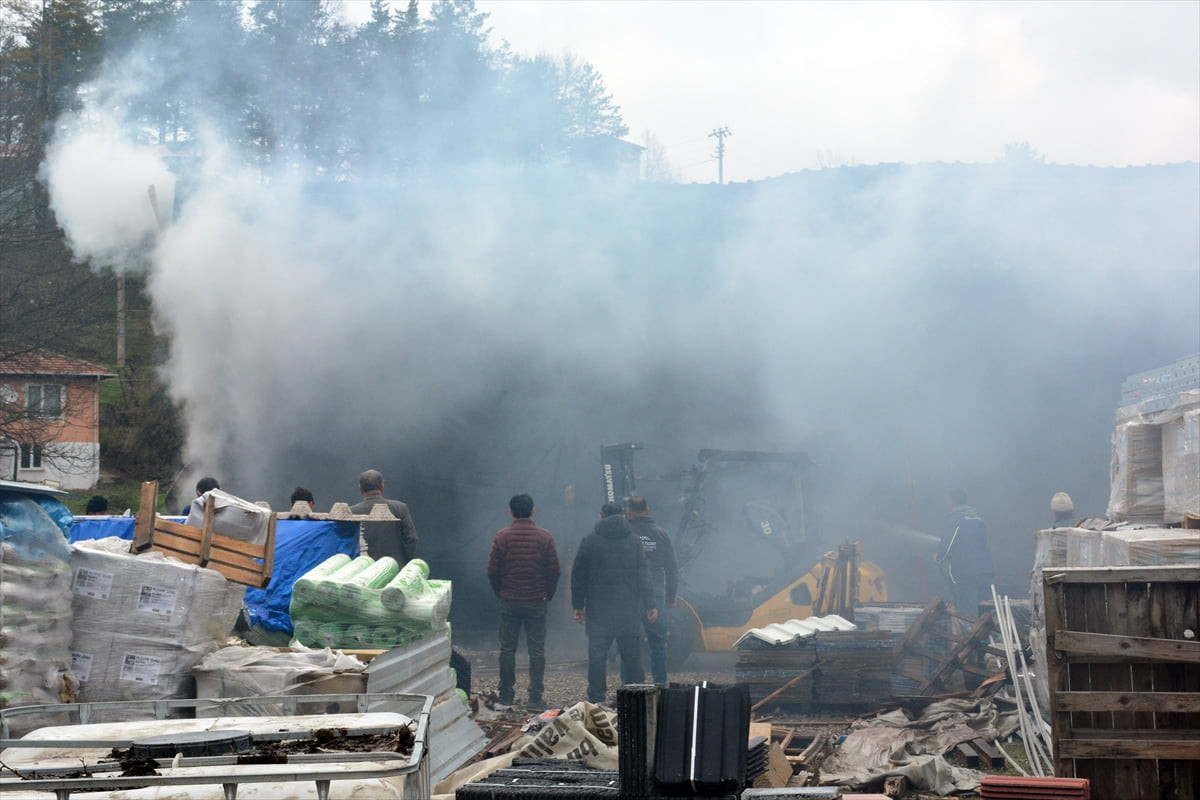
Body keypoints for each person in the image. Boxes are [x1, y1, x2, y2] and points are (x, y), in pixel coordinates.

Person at [571, 501, 655, 706]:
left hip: (599, 608)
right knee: (632, 656)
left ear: (601, 517)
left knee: (597, 656)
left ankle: (596, 698)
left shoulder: (589, 541)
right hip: (628, 608)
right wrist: (650, 604)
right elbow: (643, 575)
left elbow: (578, 576)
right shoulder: (634, 542)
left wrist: (578, 605)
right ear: (624, 516)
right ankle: (636, 697)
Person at [487, 493, 561, 711]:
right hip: (536, 599)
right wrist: (548, 593)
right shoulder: (545, 537)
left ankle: (507, 695)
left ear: (510, 512)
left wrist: (500, 592)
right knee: (537, 649)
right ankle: (535, 698)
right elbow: (554, 570)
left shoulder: (502, 536)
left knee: (507, 649)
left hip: (509, 600)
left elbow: (492, 571)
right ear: (533, 511)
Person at [625, 495, 678, 685]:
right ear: (647, 510)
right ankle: (660, 684)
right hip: (656, 590)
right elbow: (671, 567)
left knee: (629, 641)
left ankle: (629, 686)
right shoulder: (660, 534)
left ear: (629, 511)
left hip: (629, 590)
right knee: (658, 640)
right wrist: (671, 595)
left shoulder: (625, 533)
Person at [934, 490, 995, 615]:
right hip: (985, 571)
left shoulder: (954, 519)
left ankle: (971, 633)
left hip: (966, 573)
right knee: (986, 609)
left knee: (968, 612)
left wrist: (939, 557)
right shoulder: (977, 519)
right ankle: (992, 634)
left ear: (951, 501)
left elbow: (947, 542)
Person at [350, 469, 418, 562]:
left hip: (364, 571)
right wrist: (404, 563)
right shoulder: (400, 508)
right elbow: (411, 539)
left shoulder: (352, 512)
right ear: (382, 486)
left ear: (360, 489)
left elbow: (348, 544)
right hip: (395, 570)